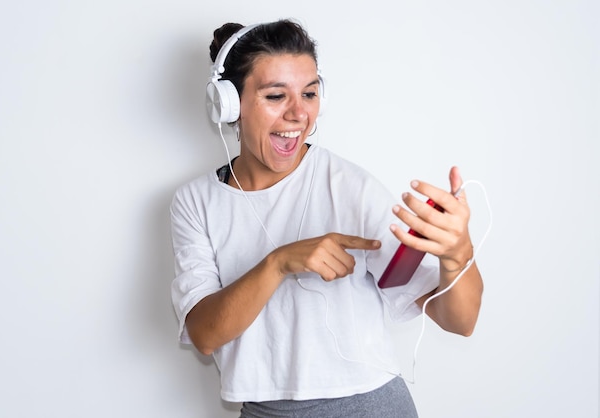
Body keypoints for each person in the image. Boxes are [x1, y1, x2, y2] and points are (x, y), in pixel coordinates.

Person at [170, 19, 483, 417]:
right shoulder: (196, 202)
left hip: (370, 406)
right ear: (230, 104)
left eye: (310, 93)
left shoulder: (349, 187)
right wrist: (280, 262)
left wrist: (457, 255)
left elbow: (459, 321)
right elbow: (205, 334)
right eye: (275, 96)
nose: (299, 114)